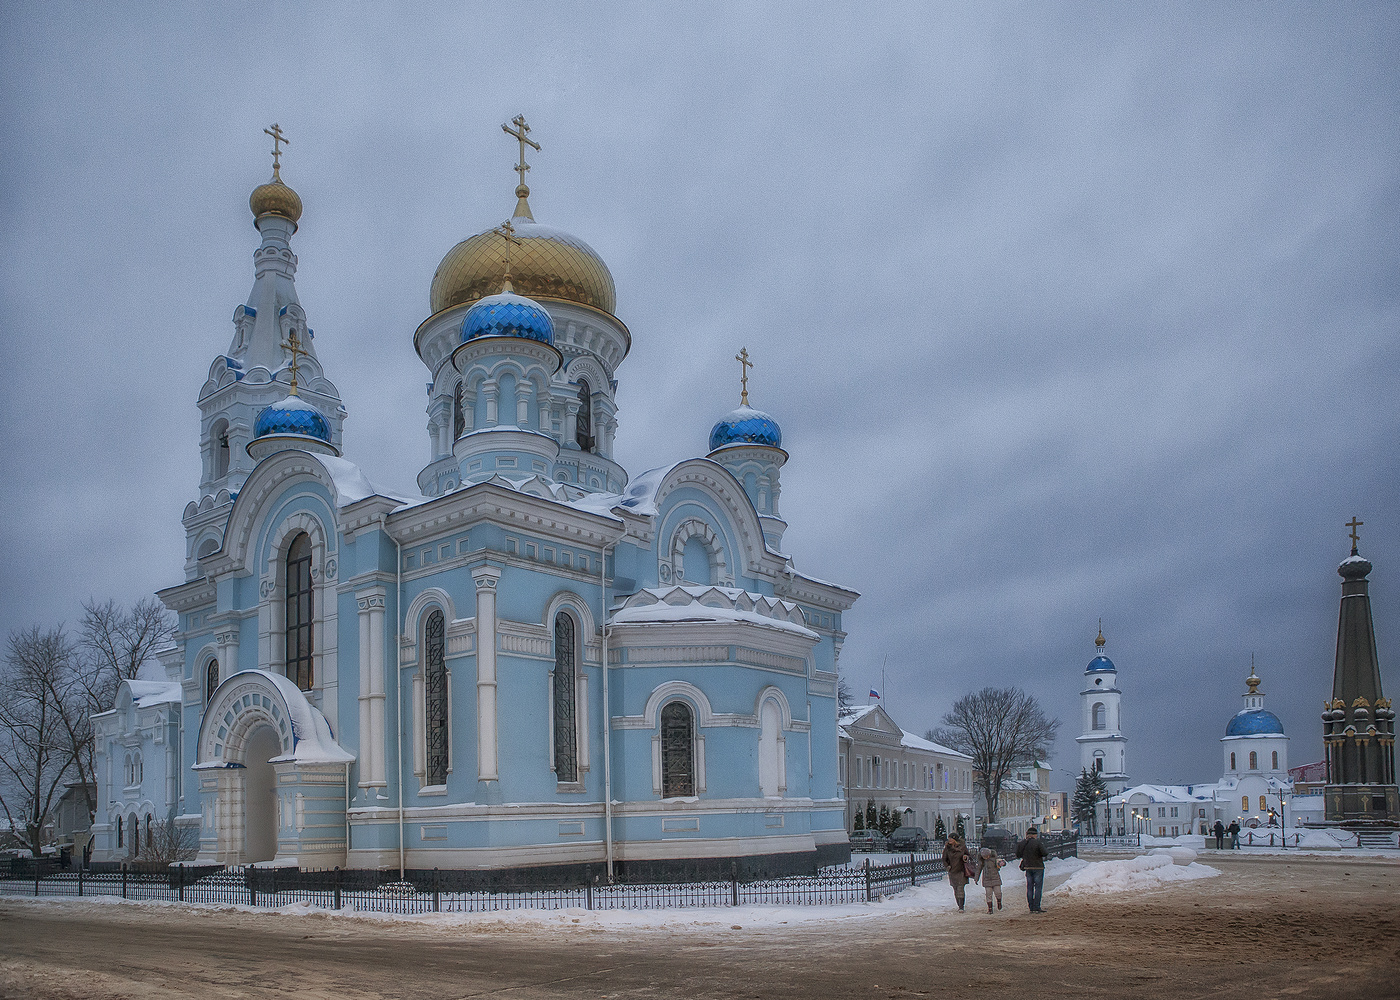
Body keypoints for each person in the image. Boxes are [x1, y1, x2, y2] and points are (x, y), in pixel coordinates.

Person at [1014, 825, 1049, 912]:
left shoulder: (1022, 843)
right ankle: (1037, 906)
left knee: (1029, 888)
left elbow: (1018, 854)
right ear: (1034, 835)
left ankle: (1031, 907)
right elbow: (1045, 853)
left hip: (1028, 867)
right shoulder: (1037, 843)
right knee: (1038, 887)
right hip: (1038, 867)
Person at [942, 833, 972, 911]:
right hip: (952, 871)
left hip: (961, 870)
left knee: (960, 888)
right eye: (949, 839)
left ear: (955, 839)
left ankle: (961, 906)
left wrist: (965, 857)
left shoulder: (962, 847)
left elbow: (968, 855)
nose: (949, 840)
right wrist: (947, 866)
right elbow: (944, 859)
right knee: (955, 888)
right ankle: (959, 904)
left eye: (951, 839)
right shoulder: (947, 848)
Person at [975, 846, 1004, 913]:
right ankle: (990, 909)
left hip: (995, 878)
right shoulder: (982, 861)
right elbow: (978, 869)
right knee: (988, 894)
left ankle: (999, 902)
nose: (986, 858)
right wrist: (976, 878)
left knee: (998, 893)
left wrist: (1001, 864)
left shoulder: (994, 859)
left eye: (987, 856)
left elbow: (1001, 863)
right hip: (986, 879)